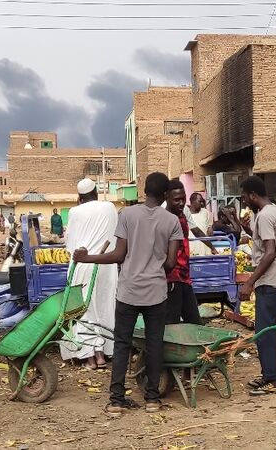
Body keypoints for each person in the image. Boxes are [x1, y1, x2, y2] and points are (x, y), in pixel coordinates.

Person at [73, 172, 181, 416]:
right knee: (154, 345)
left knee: (122, 344)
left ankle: (116, 401)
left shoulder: (127, 215)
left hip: (128, 292)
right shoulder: (171, 221)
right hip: (156, 293)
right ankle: (152, 399)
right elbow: (171, 263)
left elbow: (118, 255)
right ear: (165, 194)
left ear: (144, 190)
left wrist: (87, 257)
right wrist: (155, 261)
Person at [59, 178, 119, 370]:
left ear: (79, 197)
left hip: (83, 264)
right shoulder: (109, 207)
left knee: (83, 309)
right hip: (106, 265)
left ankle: (89, 357)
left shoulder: (75, 211)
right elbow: (115, 236)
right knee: (104, 306)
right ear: (96, 193)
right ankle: (103, 353)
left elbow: (71, 244)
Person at [237, 176, 276, 396]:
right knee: (267, 330)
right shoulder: (272, 210)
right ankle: (269, 374)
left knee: (264, 332)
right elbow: (264, 243)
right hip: (274, 278)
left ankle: (273, 379)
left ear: (252, 195)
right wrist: (246, 230)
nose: (244, 202)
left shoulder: (266, 215)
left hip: (270, 279)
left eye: (244, 198)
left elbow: (270, 252)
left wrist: (249, 282)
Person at [165, 179, 201, 325]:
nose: (181, 203)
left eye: (183, 199)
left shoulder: (182, 216)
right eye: (176, 200)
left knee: (194, 322)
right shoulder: (164, 219)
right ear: (166, 197)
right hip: (171, 278)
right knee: (171, 323)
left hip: (184, 276)